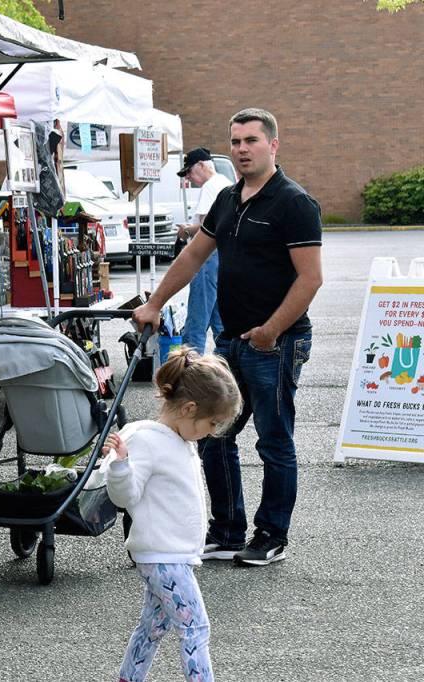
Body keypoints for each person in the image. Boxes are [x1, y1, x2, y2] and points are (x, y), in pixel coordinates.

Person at [133, 108, 323, 567]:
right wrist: (154, 303)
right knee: (214, 432)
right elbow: (193, 256)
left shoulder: (294, 203)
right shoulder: (227, 198)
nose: (241, 149)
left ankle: (271, 536)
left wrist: (271, 330)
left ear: (273, 145)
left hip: (276, 342)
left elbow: (311, 278)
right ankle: (228, 531)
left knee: (273, 441)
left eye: (251, 140)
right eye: (235, 142)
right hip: (231, 340)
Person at [101, 348, 242, 682]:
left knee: (152, 627)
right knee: (196, 628)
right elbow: (125, 497)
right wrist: (120, 466)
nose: (212, 431)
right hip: (165, 557)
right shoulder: (147, 440)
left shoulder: (178, 438)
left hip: (168, 555)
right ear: (189, 409)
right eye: (212, 423)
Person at [175, 148, 232, 354]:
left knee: (197, 319)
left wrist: (186, 230)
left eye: (189, 171)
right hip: (223, 255)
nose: (188, 178)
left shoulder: (210, 187)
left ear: (201, 165)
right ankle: (230, 362)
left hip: (208, 255)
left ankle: (189, 364)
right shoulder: (226, 183)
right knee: (220, 322)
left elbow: (208, 228)